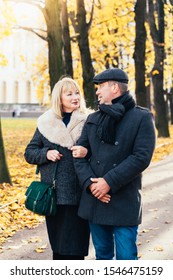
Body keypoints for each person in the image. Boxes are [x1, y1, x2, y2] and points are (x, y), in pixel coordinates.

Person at [73, 68, 156, 260]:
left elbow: (141, 157)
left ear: (115, 88)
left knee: (127, 258)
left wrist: (108, 182)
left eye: (101, 86)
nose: (97, 91)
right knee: (102, 256)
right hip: (96, 199)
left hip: (123, 199)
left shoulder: (141, 117)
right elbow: (79, 155)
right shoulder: (93, 119)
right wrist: (91, 185)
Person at [24, 77, 90, 260]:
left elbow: (99, 154)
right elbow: (29, 152)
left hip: (80, 193)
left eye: (77, 92)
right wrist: (46, 154)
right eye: (69, 94)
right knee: (59, 249)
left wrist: (86, 151)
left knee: (76, 250)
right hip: (55, 196)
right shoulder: (46, 123)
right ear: (59, 98)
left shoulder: (89, 121)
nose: (75, 97)